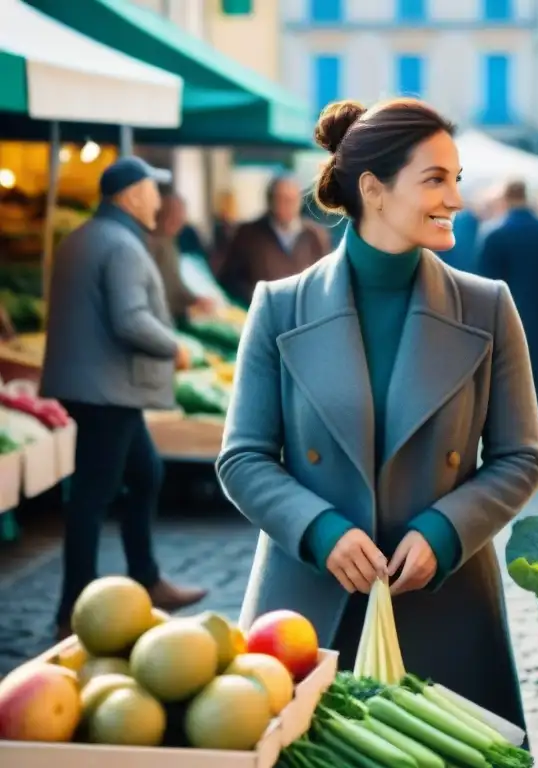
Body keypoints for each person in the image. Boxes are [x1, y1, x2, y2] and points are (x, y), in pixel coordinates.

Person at [216, 98, 538, 727]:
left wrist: (445, 531)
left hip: (446, 604)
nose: (455, 197)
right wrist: (319, 530)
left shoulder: (488, 307)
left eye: (456, 179)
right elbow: (243, 457)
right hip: (305, 614)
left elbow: (522, 457)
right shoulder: (279, 307)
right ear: (373, 189)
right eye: (435, 179)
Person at [41, 157, 208, 639]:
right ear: (132, 195)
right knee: (91, 497)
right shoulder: (122, 245)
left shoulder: (85, 236)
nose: (158, 199)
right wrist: (174, 347)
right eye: (152, 190)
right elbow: (130, 319)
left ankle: (148, 578)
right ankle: (72, 608)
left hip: (95, 388)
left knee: (145, 474)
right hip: (107, 391)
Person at [477, 179, 538, 454]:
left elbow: (481, 286)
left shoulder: (494, 233)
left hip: (504, 323)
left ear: (504, 198)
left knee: (504, 393)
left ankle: (512, 452)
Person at [218, 175, 329, 305]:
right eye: (280, 199)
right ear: (270, 201)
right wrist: (257, 297)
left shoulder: (314, 235)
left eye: (291, 199)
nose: (286, 205)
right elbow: (228, 279)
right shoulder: (248, 234)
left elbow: (325, 279)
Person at [150, 190, 217, 324]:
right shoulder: (151, 244)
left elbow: (176, 285)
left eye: (180, 217)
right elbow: (164, 290)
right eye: (171, 215)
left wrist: (195, 300)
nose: (176, 222)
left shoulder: (170, 243)